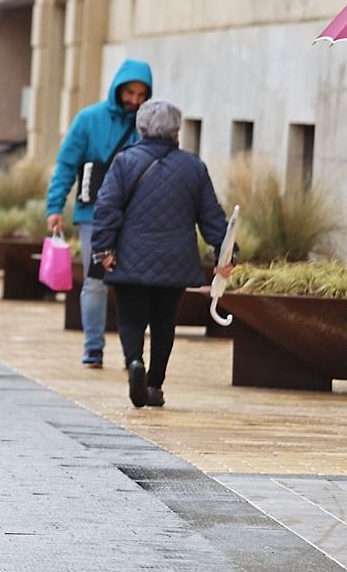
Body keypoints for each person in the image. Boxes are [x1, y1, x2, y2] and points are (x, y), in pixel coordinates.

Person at [92, 100, 231, 409]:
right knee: (164, 322)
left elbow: (107, 209)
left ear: (141, 128)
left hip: (130, 256)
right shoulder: (193, 166)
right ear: (176, 131)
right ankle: (154, 385)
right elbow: (211, 217)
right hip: (174, 259)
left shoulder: (124, 162)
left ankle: (134, 363)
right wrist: (226, 253)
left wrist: (103, 250)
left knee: (130, 318)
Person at [45, 59, 154, 368]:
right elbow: (66, 165)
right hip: (92, 212)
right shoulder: (88, 119)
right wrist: (54, 207)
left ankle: (132, 354)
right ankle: (93, 347)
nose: (134, 100)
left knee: (133, 284)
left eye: (141, 94)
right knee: (95, 281)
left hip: (135, 216)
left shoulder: (147, 123)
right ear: (117, 88)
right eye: (129, 92)